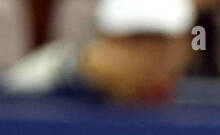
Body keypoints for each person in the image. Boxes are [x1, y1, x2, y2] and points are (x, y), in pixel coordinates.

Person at [3, 0, 195, 104]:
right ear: (108, 40)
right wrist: (78, 69)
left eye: (160, 41)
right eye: (135, 40)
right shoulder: (63, 69)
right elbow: (11, 88)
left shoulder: (199, 96)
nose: (148, 54)